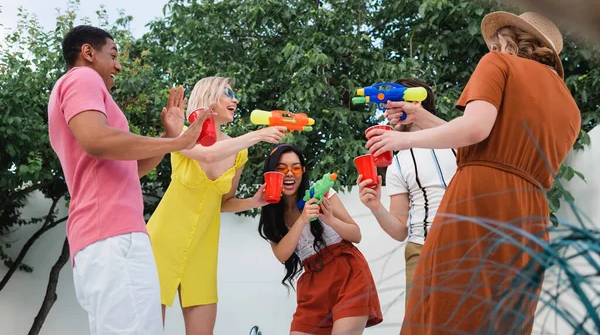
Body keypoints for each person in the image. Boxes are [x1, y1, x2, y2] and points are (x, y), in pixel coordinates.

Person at [366, 11, 581, 334]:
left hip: (479, 199)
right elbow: (488, 142)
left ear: (510, 40)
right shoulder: (570, 107)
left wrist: (403, 138)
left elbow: (476, 130)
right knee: (505, 315)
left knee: (447, 305)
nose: (493, 46)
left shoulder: (498, 64)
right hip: (530, 214)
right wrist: (419, 116)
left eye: (496, 41)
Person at [48, 25, 214, 335]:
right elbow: (96, 139)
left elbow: (130, 169)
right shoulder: (82, 78)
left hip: (105, 239)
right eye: (112, 55)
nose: (119, 66)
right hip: (113, 238)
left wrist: (169, 136)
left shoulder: (78, 89)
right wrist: (177, 143)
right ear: (87, 53)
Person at [146, 76, 287, 335]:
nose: (235, 99)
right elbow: (208, 154)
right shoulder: (180, 136)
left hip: (202, 249)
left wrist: (255, 201)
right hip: (162, 243)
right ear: (208, 98)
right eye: (227, 93)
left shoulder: (239, 152)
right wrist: (257, 134)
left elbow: (223, 202)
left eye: (234, 94)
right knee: (148, 330)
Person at [258, 144, 383, 335]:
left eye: (296, 167)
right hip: (312, 281)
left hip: (348, 273)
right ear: (271, 174)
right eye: (281, 168)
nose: (289, 173)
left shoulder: (321, 192)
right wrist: (302, 219)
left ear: (303, 171)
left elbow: (356, 235)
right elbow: (282, 254)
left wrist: (330, 219)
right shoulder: (271, 211)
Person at [356, 78, 457, 306]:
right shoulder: (397, 163)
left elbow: (471, 141)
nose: (388, 115)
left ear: (416, 102)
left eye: (393, 107)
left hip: (468, 245)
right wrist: (375, 206)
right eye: (386, 110)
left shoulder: (456, 138)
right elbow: (400, 230)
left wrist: (417, 115)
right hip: (420, 251)